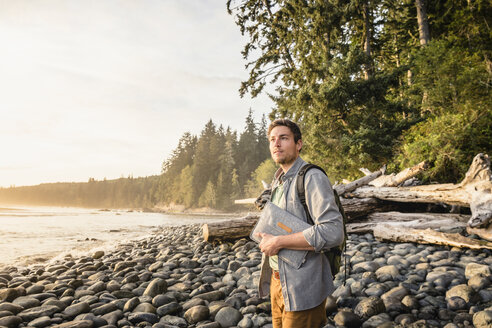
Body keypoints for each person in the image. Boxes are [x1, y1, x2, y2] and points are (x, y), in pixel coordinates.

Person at [255, 118, 344, 328]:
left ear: (299, 144)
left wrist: (279, 242)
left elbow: (332, 232)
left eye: (284, 138)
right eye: (272, 139)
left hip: (303, 284)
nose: (276, 144)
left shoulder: (312, 177)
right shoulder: (279, 180)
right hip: (278, 283)